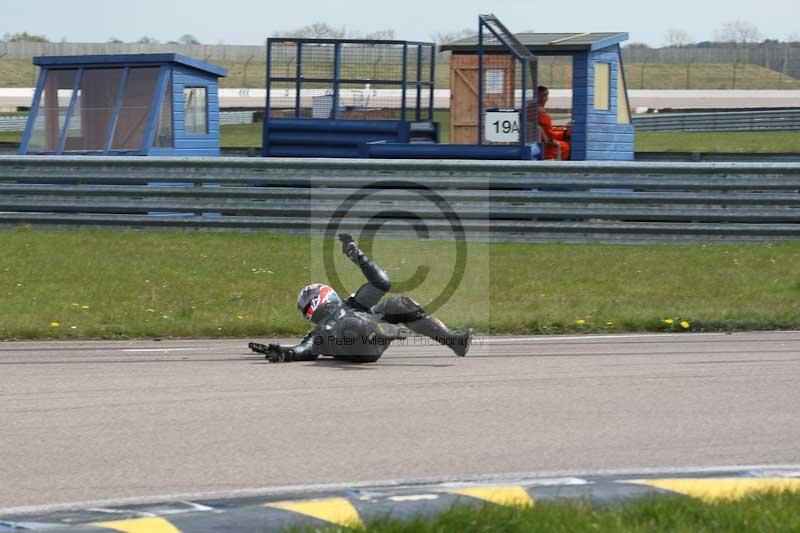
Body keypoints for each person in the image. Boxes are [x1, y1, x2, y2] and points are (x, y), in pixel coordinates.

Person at [249, 234, 473, 363]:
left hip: (370, 334)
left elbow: (382, 282)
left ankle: (454, 341)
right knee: (350, 322)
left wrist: (357, 256)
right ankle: (383, 331)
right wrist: (284, 353)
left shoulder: (353, 304)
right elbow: (303, 351)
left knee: (398, 303)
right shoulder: (317, 333)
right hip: (357, 347)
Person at [537, 85, 571, 161]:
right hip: (547, 146)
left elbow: (548, 130)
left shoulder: (532, 111)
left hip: (541, 141)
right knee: (566, 146)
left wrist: (562, 131)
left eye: (546, 95)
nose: (545, 98)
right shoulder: (541, 114)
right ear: (537, 97)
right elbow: (550, 136)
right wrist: (564, 133)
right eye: (543, 96)